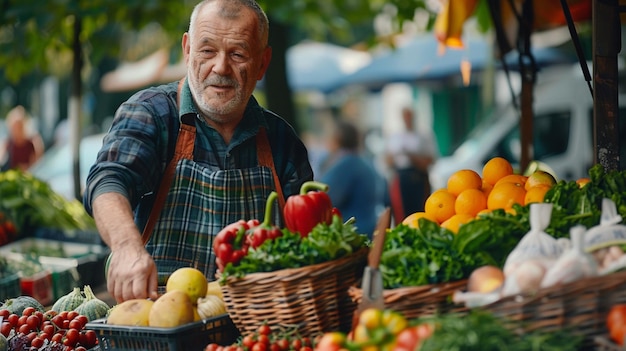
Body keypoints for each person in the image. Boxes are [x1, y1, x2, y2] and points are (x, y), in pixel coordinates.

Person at [83, 0, 313, 303]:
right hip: (159, 324)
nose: (220, 67)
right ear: (187, 49)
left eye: (238, 54)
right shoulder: (153, 112)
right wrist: (127, 248)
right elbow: (109, 180)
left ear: (262, 63)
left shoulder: (281, 141)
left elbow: (307, 246)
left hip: (256, 329)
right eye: (207, 51)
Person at [317, 120, 383, 237]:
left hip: (353, 234)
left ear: (337, 139)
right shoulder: (364, 162)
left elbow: (323, 201)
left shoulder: (345, 165)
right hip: (369, 229)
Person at [385, 107, 437, 224]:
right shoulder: (395, 137)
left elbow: (431, 159)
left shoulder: (424, 135)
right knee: (401, 214)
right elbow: (386, 160)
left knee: (421, 213)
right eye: (405, 116)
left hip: (419, 177)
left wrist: (414, 158)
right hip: (401, 177)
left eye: (409, 116)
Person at [0, 105, 43, 171]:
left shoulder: (32, 143)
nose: (17, 129)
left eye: (19, 126)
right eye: (15, 126)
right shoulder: (8, 143)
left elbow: (38, 164)